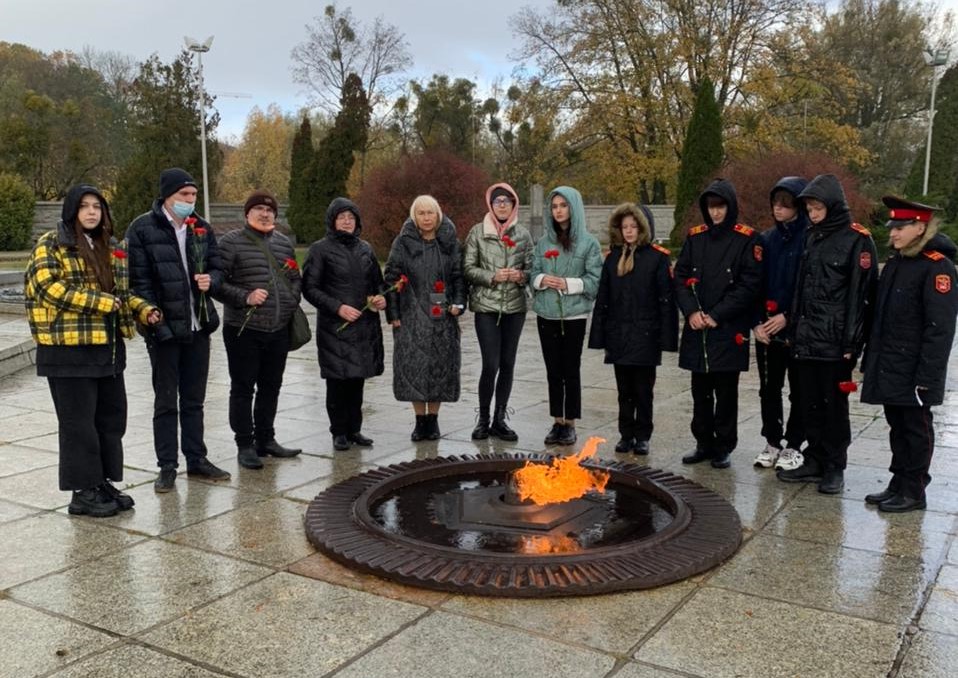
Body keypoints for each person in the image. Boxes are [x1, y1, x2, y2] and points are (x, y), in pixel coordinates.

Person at [25, 184, 161, 517]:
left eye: (97, 207)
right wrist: (101, 302)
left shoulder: (110, 246)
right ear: (72, 211)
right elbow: (47, 287)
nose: (91, 212)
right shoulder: (51, 244)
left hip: (107, 349)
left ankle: (100, 482)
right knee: (78, 425)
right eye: (84, 206)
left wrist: (144, 309)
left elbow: (121, 294)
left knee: (110, 420)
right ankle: (82, 492)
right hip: (67, 351)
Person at [126, 167, 230, 492]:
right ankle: (167, 466)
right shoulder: (142, 229)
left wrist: (211, 280)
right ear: (167, 196)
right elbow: (139, 281)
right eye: (184, 194)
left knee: (194, 400)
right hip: (164, 329)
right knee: (166, 401)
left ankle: (196, 459)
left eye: (194, 194)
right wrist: (155, 322)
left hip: (198, 326)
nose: (190, 200)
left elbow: (218, 267)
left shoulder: (201, 228)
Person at [777, 174, 877, 494]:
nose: (813, 214)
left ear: (832, 206)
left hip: (835, 342)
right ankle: (815, 458)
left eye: (818, 208)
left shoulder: (857, 239)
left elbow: (861, 296)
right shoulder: (811, 237)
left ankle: (835, 464)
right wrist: (794, 330)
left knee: (833, 406)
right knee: (809, 403)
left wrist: (852, 342)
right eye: (809, 209)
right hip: (806, 338)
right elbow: (801, 288)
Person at [860, 196, 957, 512]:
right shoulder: (897, 262)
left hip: (916, 368)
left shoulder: (937, 267)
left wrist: (928, 376)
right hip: (891, 363)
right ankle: (898, 482)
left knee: (916, 429)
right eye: (893, 227)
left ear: (920, 228)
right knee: (897, 426)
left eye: (900, 227)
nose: (893, 233)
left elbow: (940, 329)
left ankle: (914, 490)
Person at [674, 179, 762, 469]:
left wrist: (717, 314)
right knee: (700, 390)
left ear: (730, 207)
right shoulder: (695, 237)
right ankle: (703, 442)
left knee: (725, 392)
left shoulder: (746, 239)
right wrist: (691, 312)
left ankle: (724, 445)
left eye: (720, 207)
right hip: (697, 327)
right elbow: (680, 277)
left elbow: (749, 284)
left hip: (727, 327)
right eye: (711, 207)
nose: (715, 213)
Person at [213, 190, 303, 469]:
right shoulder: (230, 242)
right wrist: (245, 297)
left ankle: (266, 439)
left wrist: (290, 301)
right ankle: (245, 444)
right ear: (247, 214)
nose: (265, 214)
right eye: (259, 209)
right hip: (244, 328)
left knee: (271, 386)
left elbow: (295, 278)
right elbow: (217, 284)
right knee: (243, 388)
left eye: (270, 210)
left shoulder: (283, 244)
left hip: (277, 329)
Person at [588, 203, 678, 454]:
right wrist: (599, 335)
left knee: (643, 390)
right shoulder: (613, 258)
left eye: (633, 226)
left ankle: (643, 435)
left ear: (643, 228)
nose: (628, 231)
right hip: (619, 334)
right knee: (623, 389)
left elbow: (666, 301)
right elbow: (603, 298)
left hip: (646, 335)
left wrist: (667, 338)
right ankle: (626, 434)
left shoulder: (657, 258)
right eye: (624, 226)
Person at [303, 198, 385, 451]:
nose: (347, 222)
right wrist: (338, 307)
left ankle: (354, 429)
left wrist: (380, 297)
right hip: (335, 327)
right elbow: (310, 288)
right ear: (332, 221)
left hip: (363, 325)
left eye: (351, 217)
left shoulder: (366, 248)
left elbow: (377, 282)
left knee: (357, 379)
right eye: (342, 217)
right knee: (338, 381)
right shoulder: (319, 250)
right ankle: (338, 431)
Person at [384, 195, 466, 441]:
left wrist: (459, 304)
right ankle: (420, 420)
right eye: (421, 213)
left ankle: (433, 419)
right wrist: (393, 314)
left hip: (443, 316)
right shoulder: (402, 243)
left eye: (430, 213)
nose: (427, 218)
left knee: (440, 368)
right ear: (414, 216)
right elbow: (391, 278)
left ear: (438, 215)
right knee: (414, 368)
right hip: (411, 316)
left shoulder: (450, 242)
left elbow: (459, 276)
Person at [530, 186, 603, 446]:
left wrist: (568, 284)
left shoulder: (589, 243)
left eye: (563, 205)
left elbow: (594, 280)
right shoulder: (543, 243)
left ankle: (570, 422)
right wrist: (541, 279)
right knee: (553, 370)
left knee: (570, 369)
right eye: (554, 206)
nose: (558, 211)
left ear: (573, 207)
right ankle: (557, 420)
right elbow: (532, 273)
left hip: (574, 316)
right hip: (547, 314)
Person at [462, 182, 534, 441]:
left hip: (515, 308)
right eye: (497, 201)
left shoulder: (523, 234)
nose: (502, 205)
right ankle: (483, 419)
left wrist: (520, 276)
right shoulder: (477, 232)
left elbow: (532, 268)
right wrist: (492, 276)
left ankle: (499, 419)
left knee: (507, 363)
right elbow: (467, 268)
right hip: (487, 307)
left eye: (507, 201)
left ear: (514, 205)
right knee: (490, 364)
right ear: (490, 205)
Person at [752, 177, 808, 472]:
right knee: (769, 388)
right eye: (775, 203)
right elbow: (754, 283)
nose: (778, 208)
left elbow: (807, 285)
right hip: (767, 328)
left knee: (799, 389)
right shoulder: (767, 239)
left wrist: (788, 314)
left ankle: (794, 443)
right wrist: (756, 322)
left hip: (796, 328)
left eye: (785, 204)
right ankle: (772, 440)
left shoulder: (809, 238)